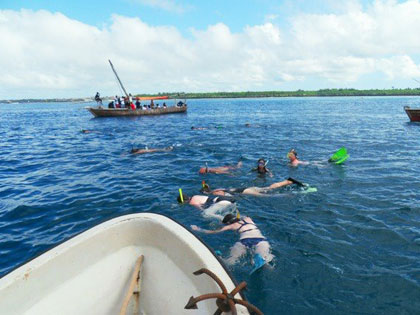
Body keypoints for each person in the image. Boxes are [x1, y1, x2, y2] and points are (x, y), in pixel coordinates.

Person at [191, 214, 273, 266]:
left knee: (230, 262)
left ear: (228, 223)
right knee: (265, 260)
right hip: (260, 240)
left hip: (244, 241)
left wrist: (198, 229)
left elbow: (213, 232)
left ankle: (219, 257)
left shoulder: (231, 226)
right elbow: (242, 215)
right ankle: (262, 260)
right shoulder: (248, 219)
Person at [201, 177, 305, 197]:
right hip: (246, 189)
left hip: (245, 192)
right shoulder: (217, 189)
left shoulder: (215, 193)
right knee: (269, 188)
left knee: (268, 195)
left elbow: (226, 196)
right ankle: (287, 181)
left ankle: (291, 194)